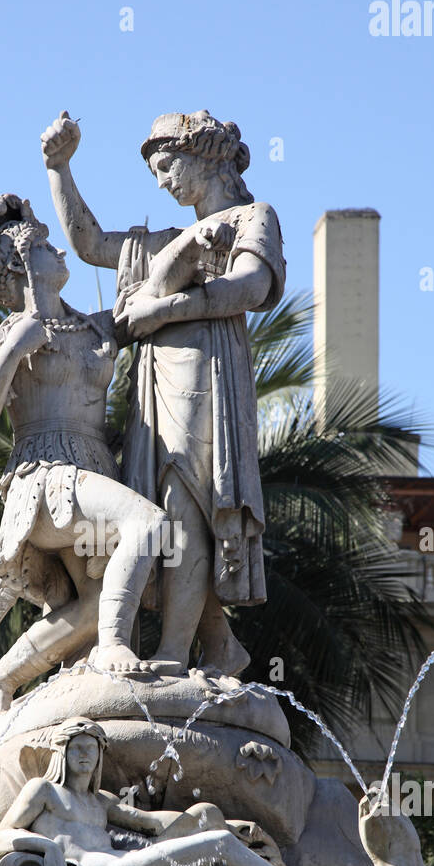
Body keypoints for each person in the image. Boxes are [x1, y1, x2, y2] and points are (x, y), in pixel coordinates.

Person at [42, 109, 286, 676]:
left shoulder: (254, 217)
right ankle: (219, 645)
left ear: (207, 155)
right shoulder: (166, 242)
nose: (162, 180)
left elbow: (251, 285)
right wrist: (59, 169)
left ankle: (177, 654)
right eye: (155, 171)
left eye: (168, 165)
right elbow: (88, 241)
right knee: (166, 513)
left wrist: (162, 309)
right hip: (157, 387)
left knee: (185, 508)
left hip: (209, 379)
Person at [0, 194, 167, 722]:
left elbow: (151, 299)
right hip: (47, 477)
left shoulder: (96, 327)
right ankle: (115, 649)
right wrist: (13, 349)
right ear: (20, 263)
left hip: (97, 468)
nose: (60, 253)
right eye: (47, 247)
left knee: (94, 606)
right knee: (148, 523)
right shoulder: (2, 337)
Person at [0, 716, 345, 866]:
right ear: (62, 754)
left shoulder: (102, 802)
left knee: (211, 824)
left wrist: (213, 820)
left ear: (100, 755)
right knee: (217, 844)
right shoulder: (43, 791)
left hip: (128, 864)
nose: (85, 755)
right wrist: (45, 847)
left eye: (91, 749)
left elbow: (152, 823)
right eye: (76, 748)